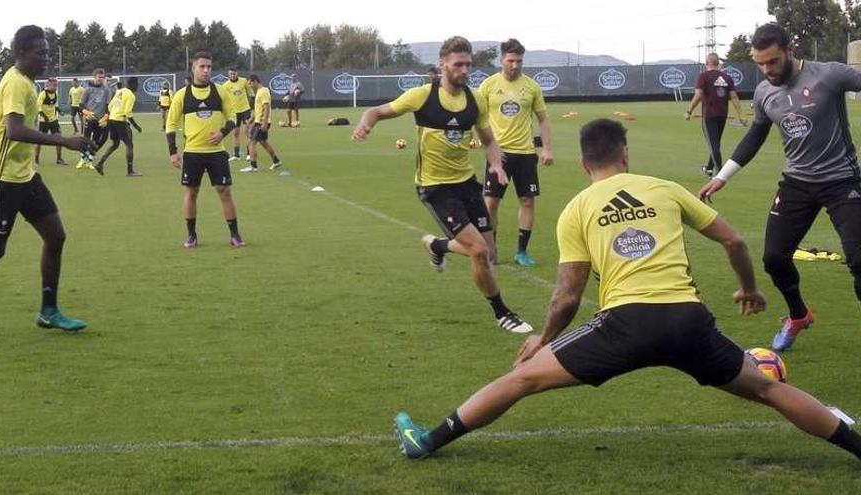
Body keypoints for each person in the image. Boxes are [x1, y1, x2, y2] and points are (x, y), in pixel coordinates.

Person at [393, 118, 861, 465]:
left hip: (625, 325)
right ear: (625, 153)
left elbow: (568, 295)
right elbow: (734, 240)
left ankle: (428, 440)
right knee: (766, 388)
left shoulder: (577, 208)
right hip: (688, 320)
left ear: (583, 164)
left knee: (521, 380)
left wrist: (545, 340)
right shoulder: (664, 188)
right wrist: (748, 289)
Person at [699, 23, 861, 352]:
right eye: (760, 64)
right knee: (773, 258)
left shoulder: (829, 75)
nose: (767, 70)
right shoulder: (764, 93)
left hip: (842, 181)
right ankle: (798, 315)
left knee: (859, 260)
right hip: (797, 183)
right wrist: (722, 176)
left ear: (789, 50)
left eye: (772, 62)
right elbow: (755, 135)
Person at [353, 36, 532, 334]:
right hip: (435, 187)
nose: (464, 70)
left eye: (468, 64)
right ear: (443, 65)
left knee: (488, 252)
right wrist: (365, 124)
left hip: (466, 183)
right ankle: (502, 312)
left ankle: (437, 245)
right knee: (477, 251)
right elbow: (377, 111)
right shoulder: (422, 96)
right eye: (458, 64)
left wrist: (498, 164)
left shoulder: (476, 99)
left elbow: (488, 140)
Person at [0, 25, 95, 331]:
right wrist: (64, 141)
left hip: (25, 176)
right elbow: (13, 130)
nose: (47, 58)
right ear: (21, 53)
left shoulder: (21, 81)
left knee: (55, 236)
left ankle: (49, 311)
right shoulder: (17, 83)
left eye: (47, 52)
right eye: (40, 52)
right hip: (2, 178)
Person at [479, 38, 553, 267]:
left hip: (525, 154)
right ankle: (492, 250)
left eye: (519, 60)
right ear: (502, 59)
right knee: (490, 203)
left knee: (527, 201)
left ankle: (522, 252)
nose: (515, 65)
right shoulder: (488, 85)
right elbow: (477, 117)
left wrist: (547, 149)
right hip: (498, 155)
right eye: (511, 60)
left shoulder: (531, 87)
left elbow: (543, 119)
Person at [166, 51, 244, 249]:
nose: (206, 70)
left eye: (209, 67)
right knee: (191, 193)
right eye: (202, 66)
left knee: (224, 191)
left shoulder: (220, 91)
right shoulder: (182, 95)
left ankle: (234, 235)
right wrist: (173, 151)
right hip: (192, 153)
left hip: (217, 152)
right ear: (193, 68)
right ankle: (191, 235)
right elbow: (171, 124)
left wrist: (222, 132)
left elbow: (233, 116)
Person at [686, 53, 745, 177]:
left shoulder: (703, 76)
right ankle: (709, 168)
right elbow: (734, 96)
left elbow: (698, 95)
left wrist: (689, 111)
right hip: (722, 114)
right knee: (716, 143)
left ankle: (720, 173)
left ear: (706, 63)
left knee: (713, 144)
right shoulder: (727, 77)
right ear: (718, 64)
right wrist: (741, 114)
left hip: (709, 115)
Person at [95, 76, 142, 176]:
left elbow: (110, 106)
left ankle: (100, 163)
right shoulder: (131, 95)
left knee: (115, 144)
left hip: (112, 120)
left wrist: (113, 114)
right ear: (134, 85)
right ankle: (130, 171)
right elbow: (127, 112)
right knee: (129, 145)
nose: (138, 87)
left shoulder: (120, 91)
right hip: (119, 121)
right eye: (137, 84)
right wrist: (136, 126)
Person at [240, 74, 282, 173]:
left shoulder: (263, 92)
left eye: (250, 83)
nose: (249, 85)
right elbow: (258, 109)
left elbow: (266, 107)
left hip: (261, 122)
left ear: (255, 81)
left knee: (251, 142)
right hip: (258, 121)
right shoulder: (259, 92)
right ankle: (276, 161)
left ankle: (253, 166)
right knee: (263, 142)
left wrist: (264, 123)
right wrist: (252, 119)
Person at [76, 68, 112, 169]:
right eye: (99, 77)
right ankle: (82, 159)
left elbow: (109, 106)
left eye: (102, 77)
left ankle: (90, 161)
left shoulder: (106, 90)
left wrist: (106, 116)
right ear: (94, 77)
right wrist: (85, 111)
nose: (101, 79)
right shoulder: (88, 89)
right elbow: (81, 105)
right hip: (89, 119)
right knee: (86, 139)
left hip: (100, 120)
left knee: (95, 141)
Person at [34, 77, 66, 165]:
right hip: (44, 121)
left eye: (56, 85)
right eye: (54, 85)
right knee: (39, 141)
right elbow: (38, 107)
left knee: (59, 139)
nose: (55, 87)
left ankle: (59, 159)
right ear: (48, 85)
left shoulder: (55, 94)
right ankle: (36, 159)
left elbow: (55, 105)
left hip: (54, 120)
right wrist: (45, 117)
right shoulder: (43, 94)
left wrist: (59, 111)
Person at [222, 68, 253, 162]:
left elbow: (250, 93)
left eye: (234, 73)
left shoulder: (243, 81)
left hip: (245, 110)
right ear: (228, 75)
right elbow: (224, 98)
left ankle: (249, 153)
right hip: (234, 112)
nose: (232, 75)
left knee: (247, 132)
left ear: (237, 73)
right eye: (231, 74)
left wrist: (251, 105)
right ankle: (236, 155)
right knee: (235, 133)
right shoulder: (226, 85)